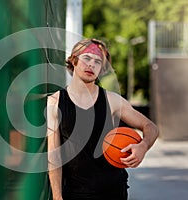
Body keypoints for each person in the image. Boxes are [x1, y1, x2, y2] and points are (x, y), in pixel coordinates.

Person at [47, 38, 159, 200]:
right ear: (74, 61)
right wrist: (57, 197)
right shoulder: (55, 102)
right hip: (75, 193)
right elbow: (54, 156)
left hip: (114, 191)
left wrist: (144, 145)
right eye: (87, 58)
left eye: (98, 61)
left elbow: (150, 126)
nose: (91, 64)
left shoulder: (112, 101)